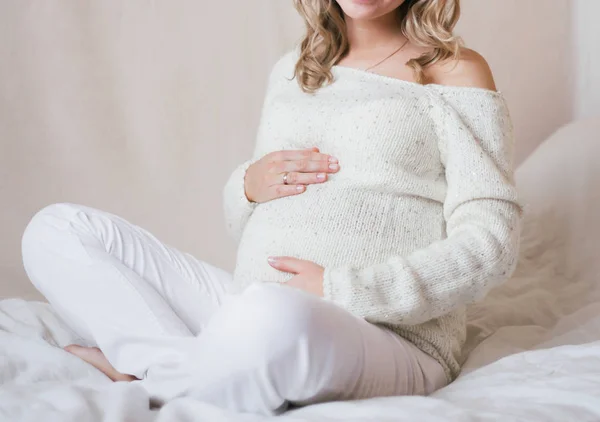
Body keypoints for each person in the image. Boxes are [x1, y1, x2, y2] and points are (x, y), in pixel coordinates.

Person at [21, 0, 522, 415]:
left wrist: (341, 290)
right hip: (253, 303)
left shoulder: (453, 71)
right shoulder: (294, 69)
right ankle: (182, 368)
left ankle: (148, 374)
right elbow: (255, 228)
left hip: (388, 335)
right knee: (58, 231)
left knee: (272, 317)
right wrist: (246, 186)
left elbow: (492, 244)